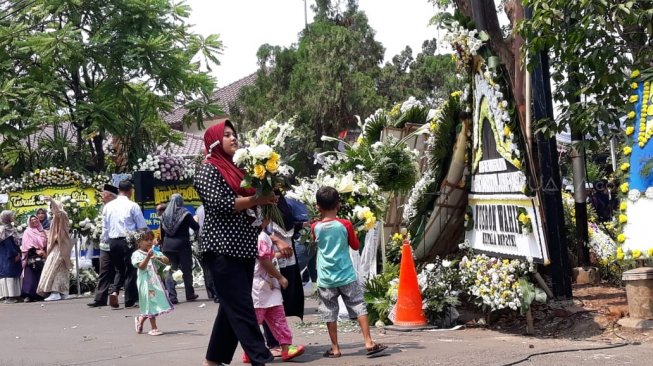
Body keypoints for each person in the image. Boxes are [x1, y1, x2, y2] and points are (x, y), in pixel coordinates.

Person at [194, 119, 277, 366]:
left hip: (242, 247)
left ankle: (213, 360)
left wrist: (264, 208)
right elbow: (220, 204)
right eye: (227, 135)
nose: (233, 139)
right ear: (214, 142)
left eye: (234, 135)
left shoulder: (239, 170)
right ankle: (262, 359)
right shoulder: (208, 169)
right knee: (242, 307)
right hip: (220, 248)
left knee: (231, 307)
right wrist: (257, 199)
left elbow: (250, 205)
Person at [311, 186, 387, 358]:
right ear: (338, 205)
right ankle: (368, 341)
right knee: (358, 305)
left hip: (326, 278)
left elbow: (316, 242)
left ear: (318, 206)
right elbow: (355, 246)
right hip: (346, 275)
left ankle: (335, 348)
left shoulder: (315, 227)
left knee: (329, 312)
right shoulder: (345, 224)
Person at [243, 217, 305, 363]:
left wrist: (278, 255)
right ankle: (250, 351)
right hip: (260, 286)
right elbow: (264, 261)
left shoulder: (255, 236)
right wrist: (280, 277)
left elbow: (265, 257)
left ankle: (285, 348)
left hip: (266, 286)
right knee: (256, 320)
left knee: (278, 318)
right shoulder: (261, 236)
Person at [262, 194, 304, 357]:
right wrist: (277, 243)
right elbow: (258, 230)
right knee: (268, 308)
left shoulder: (281, 201)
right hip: (268, 269)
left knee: (277, 305)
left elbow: (289, 225)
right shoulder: (259, 198)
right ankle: (271, 344)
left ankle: (277, 345)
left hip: (284, 258)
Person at [103, 180, 148, 309]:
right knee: (131, 269)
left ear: (119, 190)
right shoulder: (133, 205)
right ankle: (129, 300)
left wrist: (107, 241)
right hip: (128, 240)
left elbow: (105, 228)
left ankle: (114, 291)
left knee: (119, 269)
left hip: (113, 241)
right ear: (130, 191)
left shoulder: (108, 206)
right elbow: (142, 226)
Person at [130, 229, 173, 336]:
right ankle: (154, 327)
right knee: (150, 302)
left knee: (153, 302)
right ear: (139, 242)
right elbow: (141, 266)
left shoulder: (154, 251)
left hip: (155, 282)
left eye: (150, 239)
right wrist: (148, 257)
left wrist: (157, 256)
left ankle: (140, 319)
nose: (149, 242)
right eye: (146, 240)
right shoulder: (137, 254)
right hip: (145, 283)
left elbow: (167, 260)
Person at [161, 193, 200, 304]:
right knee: (186, 270)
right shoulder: (185, 213)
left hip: (168, 246)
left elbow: (162, 232)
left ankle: (172, 297)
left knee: (169, 271)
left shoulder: (164, 215)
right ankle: (190, 294)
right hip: (182, 246)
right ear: (180, 201)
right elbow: (196, 227)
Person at [88, 184, 119, 307]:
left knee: (122, 270)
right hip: (105, 243)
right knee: (104, 270)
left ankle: (117, 293)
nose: (102, 196)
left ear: (111, 196)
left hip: (117, 241)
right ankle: (100, 299)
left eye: (104, 194)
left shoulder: (118, 207)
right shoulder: (102, 207)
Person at [37, 197, 74, 301]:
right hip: (58, 246)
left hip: (60, 247)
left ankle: (56, 292)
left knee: (54, 268)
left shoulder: (63, 215)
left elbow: (59, 212)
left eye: (52, 207)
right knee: (60, 269)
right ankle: (61, 292)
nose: (51, 209)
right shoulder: (55, 218)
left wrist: (52, 200)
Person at [20, 215, 48, 302]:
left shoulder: (41, 231)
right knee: (30, 278)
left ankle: (39, 295)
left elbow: (46, 243)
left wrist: (44, 251)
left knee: (40, 276)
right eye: (32, 220)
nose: (34, 221)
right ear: (29, 222)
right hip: (31, 256)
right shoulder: (27, 232)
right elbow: (26, 245)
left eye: (35, 219)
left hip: (42, 256)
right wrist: (36, 251)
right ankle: (28, 295)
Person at [194, 204, 218, 302]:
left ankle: (210, 292)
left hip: (202, 240)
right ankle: (217, 294)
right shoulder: (215, 207)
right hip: (215, 239)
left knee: (207, 267)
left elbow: (196, 225)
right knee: (216, 266)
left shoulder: (199, 209)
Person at [0, 210, 22, 304]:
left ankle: (15, 295)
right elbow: (8, 243)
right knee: (8, 275)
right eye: (11, 216)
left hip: (12, 255)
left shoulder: (11, 228)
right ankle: (9, 296)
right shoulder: (3, 229)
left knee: (14, 275)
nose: (13, 217)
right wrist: (14, 254)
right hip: (7, 256)